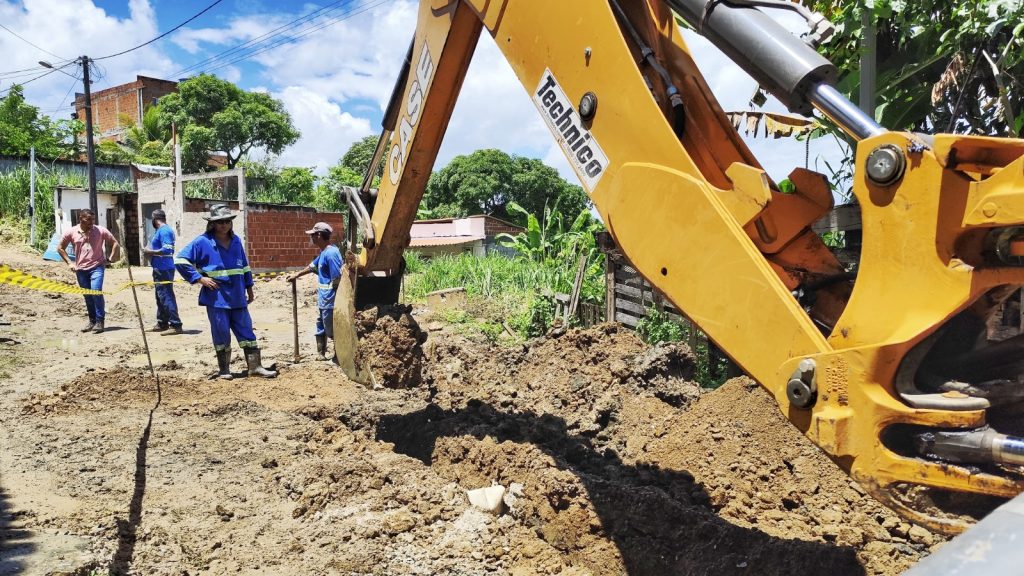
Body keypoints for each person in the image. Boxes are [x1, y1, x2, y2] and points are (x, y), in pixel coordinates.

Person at [174, 204, 277, 380]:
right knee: (221, 333)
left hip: (237, 296)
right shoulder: (202, 242)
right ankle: (224, 370)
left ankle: (255, 367)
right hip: (217, 297)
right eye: (220, 222)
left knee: (247, 331)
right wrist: (200, 279)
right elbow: (180, 260)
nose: (224, 225)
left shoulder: (236, 242)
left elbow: (244, 267)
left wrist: (249, 288)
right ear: (212, 223)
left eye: (227, 221)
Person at [286, 222, 343, 361]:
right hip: (323, 300)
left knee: (332, 329)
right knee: (321, 325)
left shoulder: (331, 253)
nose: (311, 238)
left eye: (312, 235)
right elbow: (312, 267)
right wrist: (296, 275)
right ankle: (321, 354)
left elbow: (337, 279)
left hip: (330, 300)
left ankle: (339, 356)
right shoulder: (324, 252)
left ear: (318, 235)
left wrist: (336, 301)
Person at [57, 208, 121, 334]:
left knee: (96, 292)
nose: (91, 222)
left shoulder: (100, 230)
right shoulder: (72, 232)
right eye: (88, 220)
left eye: (93, 219)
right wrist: (70, 263)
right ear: (81, 219)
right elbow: (60, 248)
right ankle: (92, 321)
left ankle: (100, 321)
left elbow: (115, 243)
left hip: (97, 267)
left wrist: (111, 258)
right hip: (81, 270)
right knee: (87, 295)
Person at [141, 209, 183, 335]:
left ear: (154, 219)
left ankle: (175, 324)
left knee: (166, 295)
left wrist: (149, 252)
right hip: (159, 267)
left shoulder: (165, 231)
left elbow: (167, 249)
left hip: (164, 268)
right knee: (160, 296)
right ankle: (162, 323)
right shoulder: (160, 231)